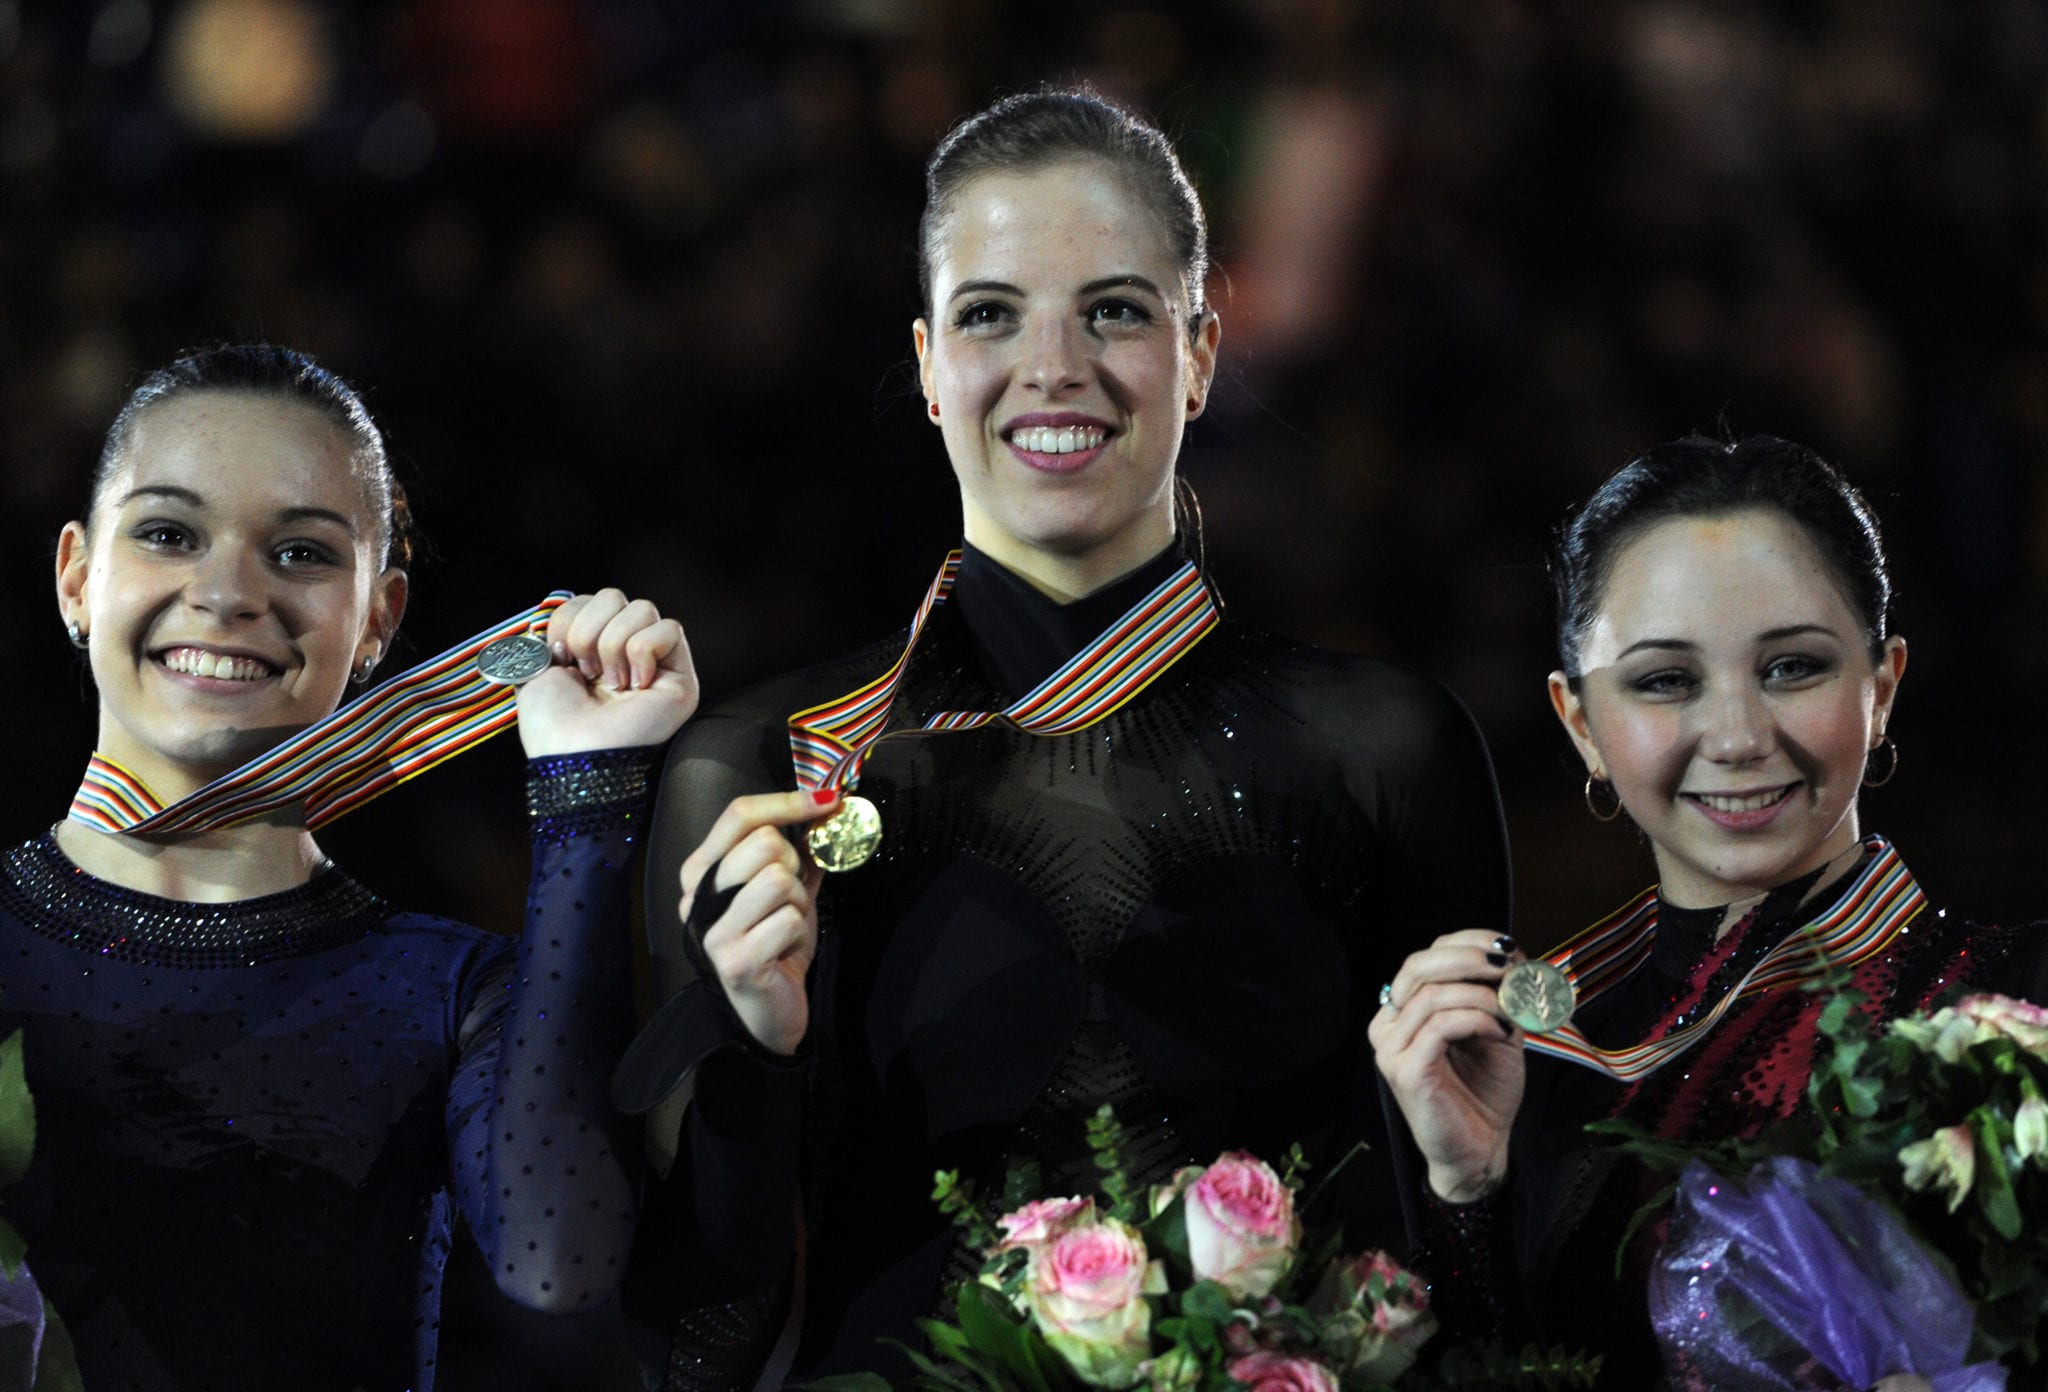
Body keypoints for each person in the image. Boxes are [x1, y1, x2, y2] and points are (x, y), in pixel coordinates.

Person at [624, 88, 1510, 1388]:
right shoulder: (768, 773)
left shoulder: (1384, 751)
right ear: (929, 365)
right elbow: (697, 1355)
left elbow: (1483, 1313)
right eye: (993, 313)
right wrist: (754, 1055)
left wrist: (1474, 1186)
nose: (1054, 365)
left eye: (1113, 310)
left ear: (1199, 354)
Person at [3, 343, 697, 1389]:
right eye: (167, 534)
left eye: (300, 554)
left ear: (377, 618)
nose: (228, 591)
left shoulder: (452, 990)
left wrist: (585, 784)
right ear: (76, 578)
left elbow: (560, 1267)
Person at [1370, 434, 2048, 1385]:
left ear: (1882, 688)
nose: (1735, 736)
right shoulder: (1523, 1069)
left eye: (1792, 668)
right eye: (1665, 681)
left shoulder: (2021, 1009)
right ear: (1580, 725)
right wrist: (1470, 1192)